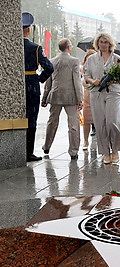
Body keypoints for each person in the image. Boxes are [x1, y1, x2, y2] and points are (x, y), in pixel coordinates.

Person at [84, 32, 120, 164]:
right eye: (101, 42)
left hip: (113, 92)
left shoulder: (117, 58)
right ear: (97, 44)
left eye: (106, 42)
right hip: (96, 93)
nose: (103, 45)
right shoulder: (91, 59)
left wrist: (113, 81)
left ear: (110, 44)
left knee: (112, 121)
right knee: (100, 123)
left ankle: (115, 149)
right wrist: (93, 81)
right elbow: (86, 75)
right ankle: (105, 152)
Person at [41, 38, 83, 159]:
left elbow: (48, 82)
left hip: (55, 95)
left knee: (52, 122)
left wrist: (44, 98)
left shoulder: (52, 61)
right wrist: (79, 98)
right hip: (70, 96)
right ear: (68, 47)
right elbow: (77, 81)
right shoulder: (74, 61)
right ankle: (73, 151)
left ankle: (47, 146)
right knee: (73, 124)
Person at [22, 12, 54, 162]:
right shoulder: (35, 47)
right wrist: (39, 79)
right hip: (31, 84)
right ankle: (28, 152)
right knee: (31, 119)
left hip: (16, 85)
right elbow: (49, 67)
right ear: (28, 30)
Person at [81, 49, 97, 150]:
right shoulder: (83, 69)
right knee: (86, 121)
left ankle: (102, 141)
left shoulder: (98, 68)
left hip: (97, 96)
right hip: (86, 98)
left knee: (99, 120)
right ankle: (85, 141)